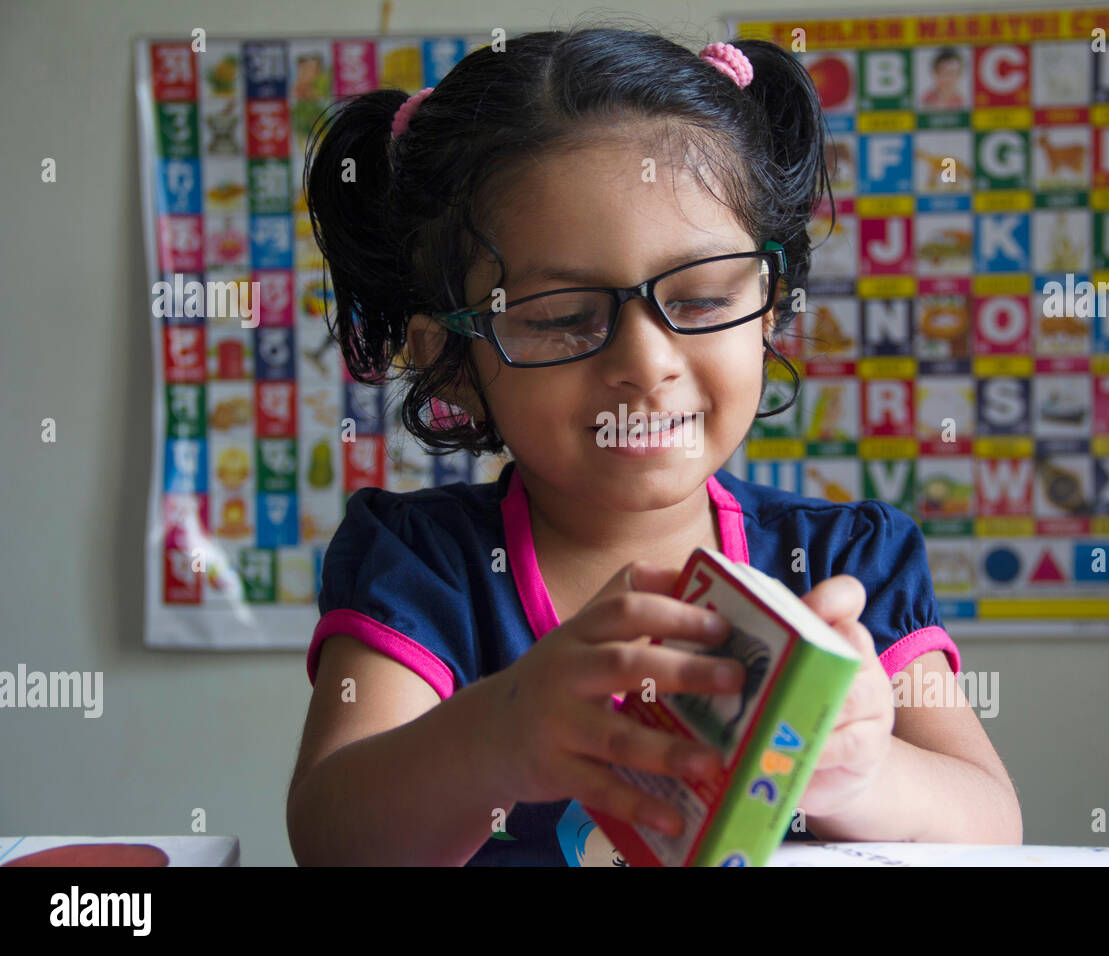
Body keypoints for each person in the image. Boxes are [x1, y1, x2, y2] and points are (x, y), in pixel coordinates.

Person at [286, 25, 1021, 866]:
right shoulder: (424, 566)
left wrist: (858, 773)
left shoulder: (849, 561)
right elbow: (333, 839)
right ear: (447, 361)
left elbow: (992, 823)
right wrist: (502, 731)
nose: (645, 363)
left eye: (703, 299)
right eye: (563, 316)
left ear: (772, 304)